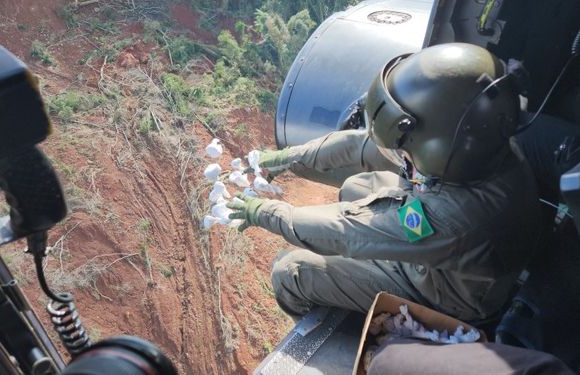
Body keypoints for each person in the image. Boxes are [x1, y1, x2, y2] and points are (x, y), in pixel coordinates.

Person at [228, 43, 540, 322]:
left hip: (443, 292)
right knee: (357, 187)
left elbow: (347, 232)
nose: (399, 151)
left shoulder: (457, 216)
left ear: (436, 147)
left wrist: (266, 213)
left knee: (291, 271)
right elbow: (361, 146)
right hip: (448, 251)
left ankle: (336, 324)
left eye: (406, 145)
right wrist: (288, 157)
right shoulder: (472, 148)